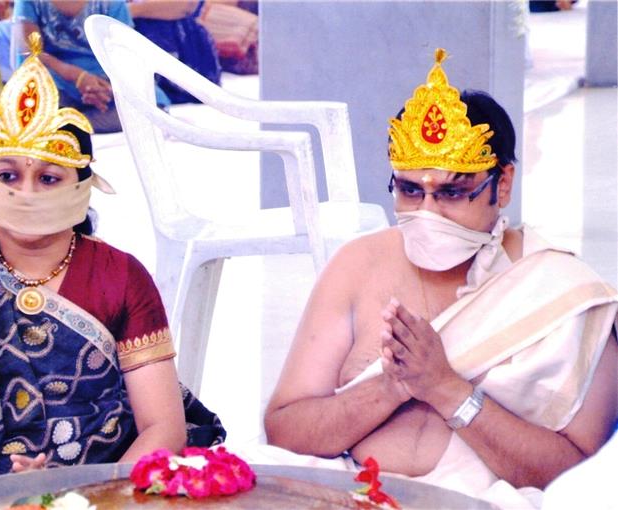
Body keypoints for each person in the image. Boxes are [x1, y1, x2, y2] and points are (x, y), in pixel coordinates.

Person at [263, 49, 618, 508]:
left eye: (452, 192)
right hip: (346, 494)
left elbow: (582, 480)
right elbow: (285, 430)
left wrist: (446, 389)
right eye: (410, 191)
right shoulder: (358, 266)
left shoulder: (566, 294)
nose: (428, 213)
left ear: (502, 184)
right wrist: (390, 387)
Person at [0, 33, 224, 497]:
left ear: (83, 187)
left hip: (104, 488)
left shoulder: (120, 277)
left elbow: (162, 427)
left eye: (49, 178)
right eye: (8, 175)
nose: (26, 193)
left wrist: (79, 502)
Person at [11, 0, 170, 133]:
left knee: (152, 110)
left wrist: (107, 88)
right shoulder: (29, 2)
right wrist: (76, 76)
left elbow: (124, 55)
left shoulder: (112, 3)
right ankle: (65, 124)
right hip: (54, 79)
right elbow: (29, 51)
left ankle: (69, 125)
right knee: (32, 109)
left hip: (103, 83)